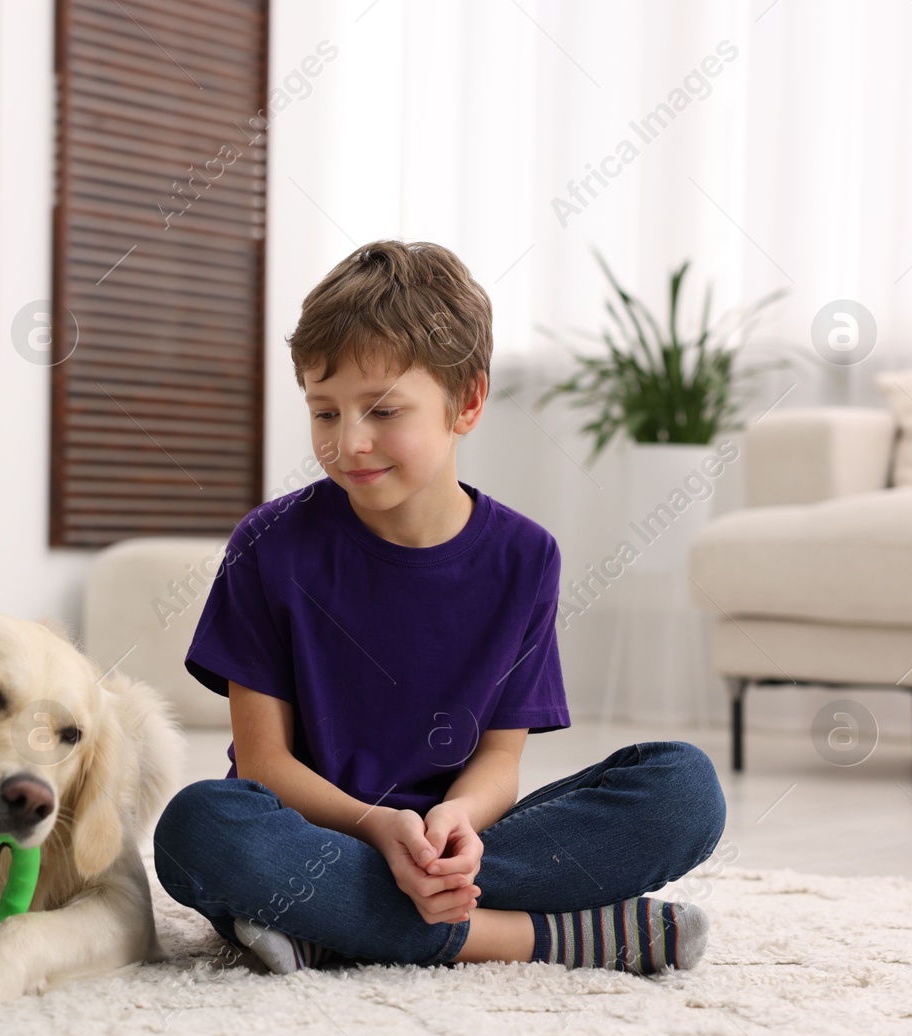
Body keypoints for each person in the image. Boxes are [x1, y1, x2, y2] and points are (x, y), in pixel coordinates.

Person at [151, 239, 728, 976]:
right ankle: (536, 937)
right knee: (199, 829)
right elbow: (263, 763)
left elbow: (498, 758)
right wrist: (375, 825)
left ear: (469, 401)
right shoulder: (268, 544)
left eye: (382, 409)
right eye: (324, 413)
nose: (348, 441)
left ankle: (332, 926)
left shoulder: (526, 557)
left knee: (683, 790)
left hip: (463, 844)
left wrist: (455, 823)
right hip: (309, 831)